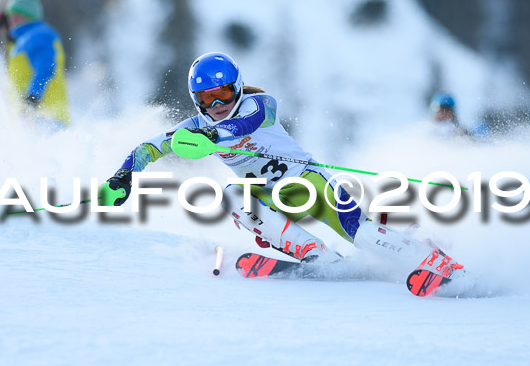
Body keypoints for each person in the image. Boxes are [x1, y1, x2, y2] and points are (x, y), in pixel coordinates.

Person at [105, 52, 434, 270]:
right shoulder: (195, 128)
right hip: (270, 199)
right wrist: (124, 175)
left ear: (237, 88)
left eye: (224, 93)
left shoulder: (259, 103)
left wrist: (213, 138)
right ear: (197, 100)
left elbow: (244, 124)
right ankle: (319, 258)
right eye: (207, 97)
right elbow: (150, 147)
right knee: (231, 195)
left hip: (309, 184)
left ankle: (431, 258)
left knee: (362, 235)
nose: (218, 103)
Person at [0, 0, 70, 128]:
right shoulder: (23, 40)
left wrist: (32, 99)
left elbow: (46, 67)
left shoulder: (37, 36)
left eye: (17, 15)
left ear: (29, 15)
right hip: (35, 118)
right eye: (11, 15)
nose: (12, 19)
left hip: (45, 117)